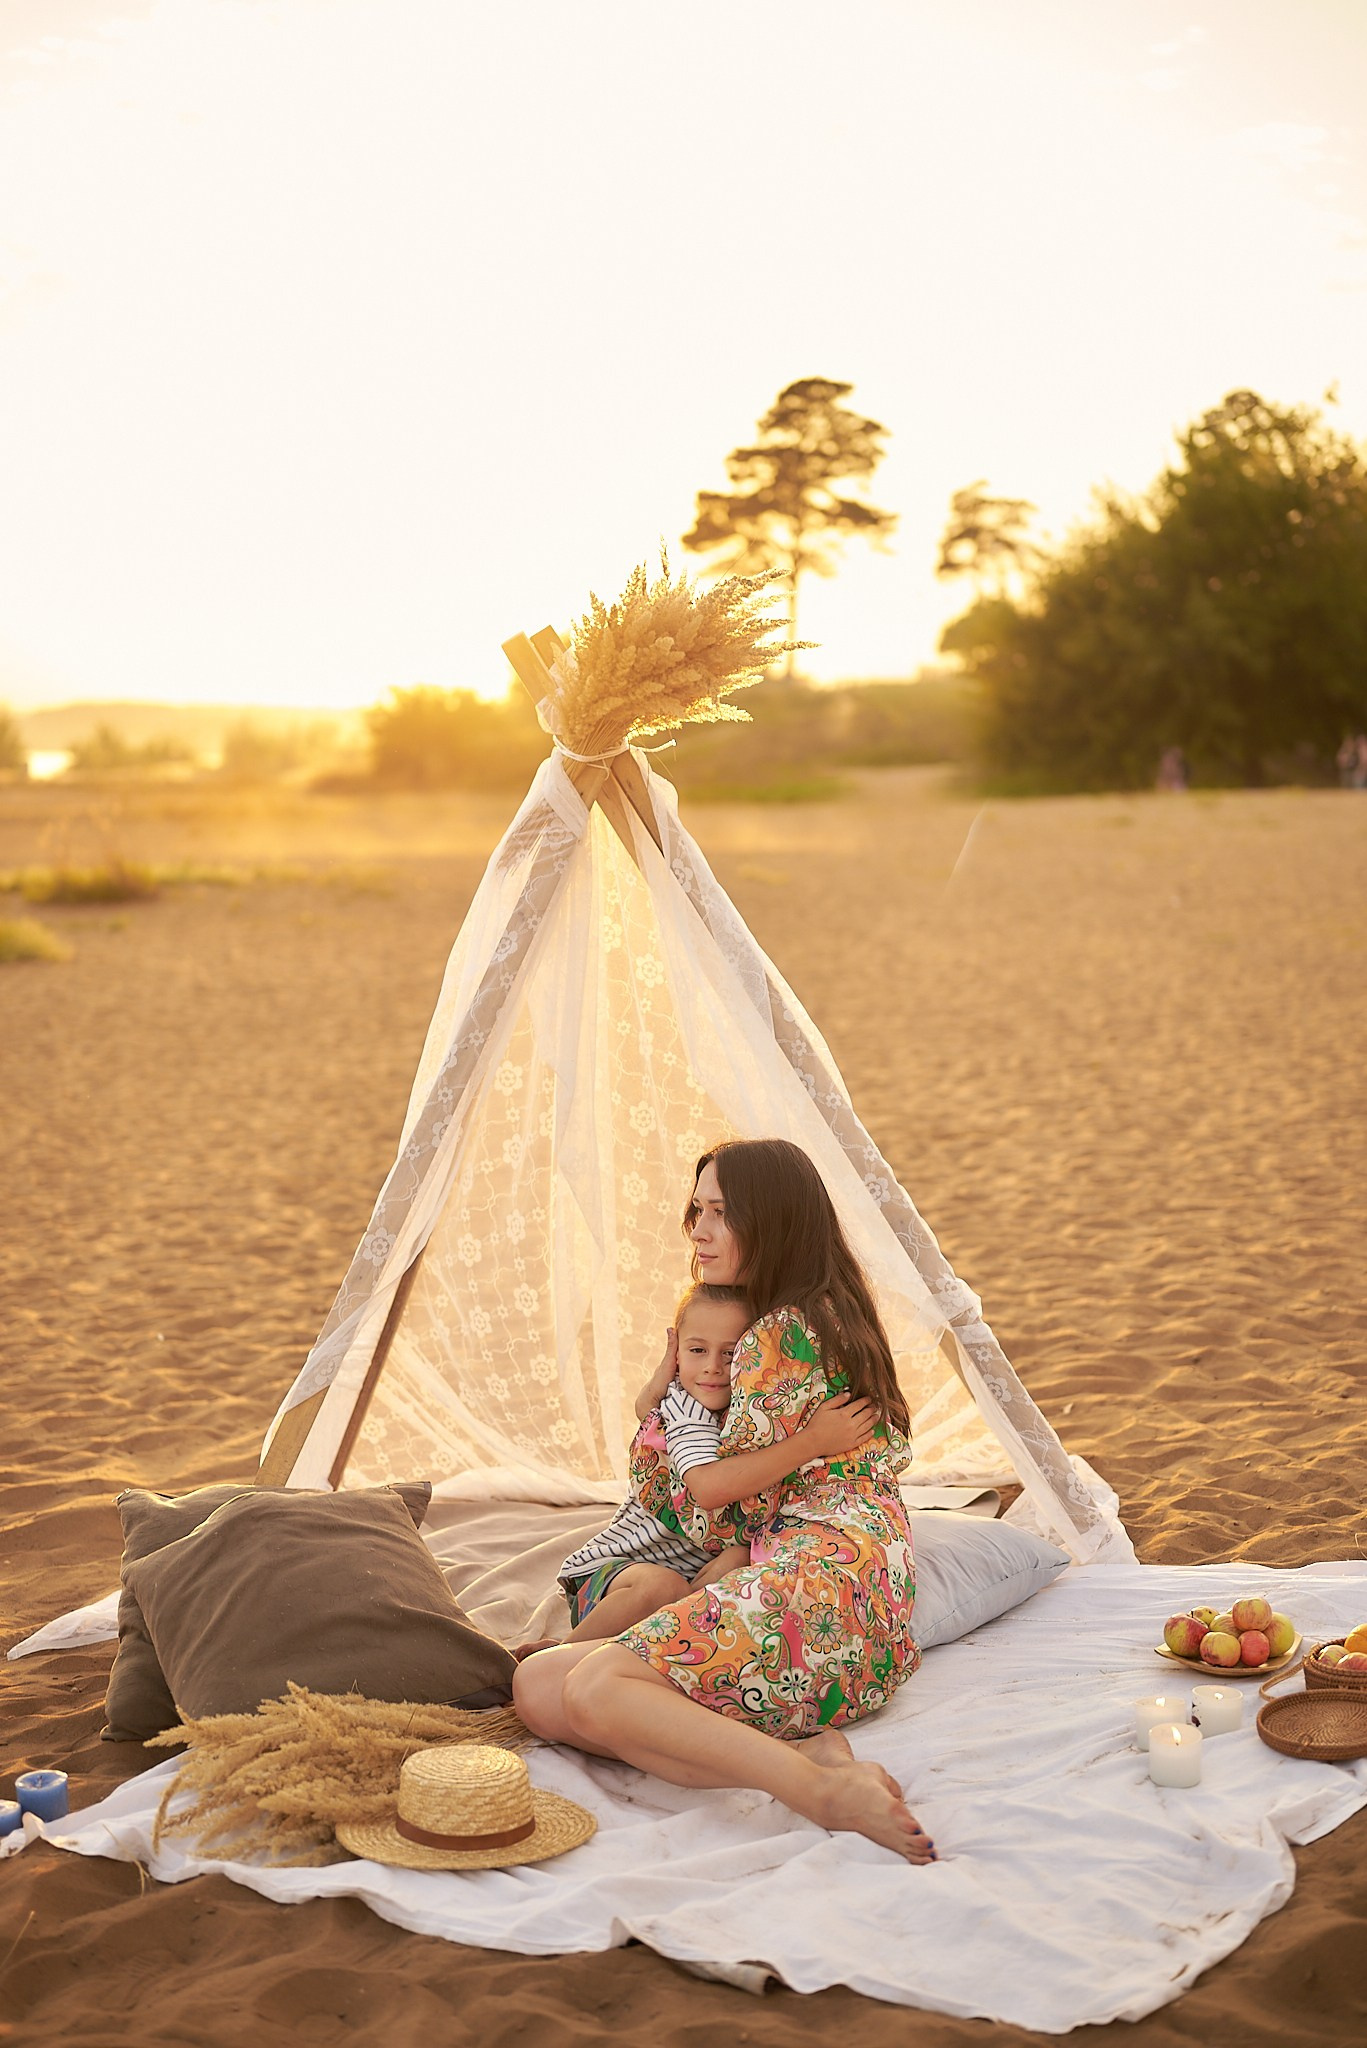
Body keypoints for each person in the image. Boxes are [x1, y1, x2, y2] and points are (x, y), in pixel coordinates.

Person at [514, 1139, 936, 1864]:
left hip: (821, 1582)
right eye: (696, 1212)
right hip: (844, 1597)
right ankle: (815, 1752)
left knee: (598, 1686)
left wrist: (664, 1429)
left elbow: (711, 1503)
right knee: (540, 1688)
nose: (698, 1233)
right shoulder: (826, 1312)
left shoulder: (781, 1333)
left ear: (769, 1222)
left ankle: (815, 1791)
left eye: (720, 1214)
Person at [525, 1282, 879, 1652]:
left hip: (687, 1581)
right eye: (697, 1350)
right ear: (676, 1352)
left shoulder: (757, 1413)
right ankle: (557, 1654)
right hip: (612, 1577)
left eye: (731, 1354)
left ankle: (625, 1661)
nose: (712, 1368)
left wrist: (741, 1551)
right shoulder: (684, 1405)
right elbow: (709, 1488)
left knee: (735, 1588)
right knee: (666, 1589)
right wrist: (815, 1441)